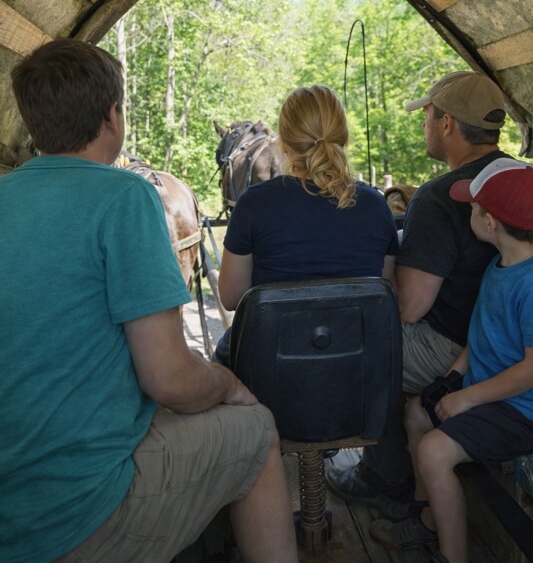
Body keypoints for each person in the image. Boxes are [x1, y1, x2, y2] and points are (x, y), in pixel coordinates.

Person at [0, 39, 298, 563]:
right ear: (112, 117)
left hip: (13, 497)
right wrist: (227, 383)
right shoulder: (124, 197)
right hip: (76, 512)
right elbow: (169, 380)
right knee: (255, 431)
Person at [326, 70, 511, 507]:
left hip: (457, 345)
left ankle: (383, 476)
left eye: (426, 116)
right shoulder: (521, 176)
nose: (424, 125)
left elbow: (410, 307)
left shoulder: (440, 196)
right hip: (515, 337)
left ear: (447, 124)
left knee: (360, 349)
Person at [370, 158, 533, 563]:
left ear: (490, 223)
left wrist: (469, 397)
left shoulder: (529, 285)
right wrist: (453, 376)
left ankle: (452, 555)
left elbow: (531, 369)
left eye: (474, 208)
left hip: (521, 408)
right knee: (417, 414)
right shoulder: (501, 267)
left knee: (433, 452)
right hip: (490, 389)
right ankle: (428, 518)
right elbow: (482, 336)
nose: (468, 212)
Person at [212, 84, 399, 366]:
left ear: (283, 144)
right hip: (357, 362)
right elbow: (384, 289)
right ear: (344, 138)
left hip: (272, 361)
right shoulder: (375, 205)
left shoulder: (253, 204)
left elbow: (230, 297)